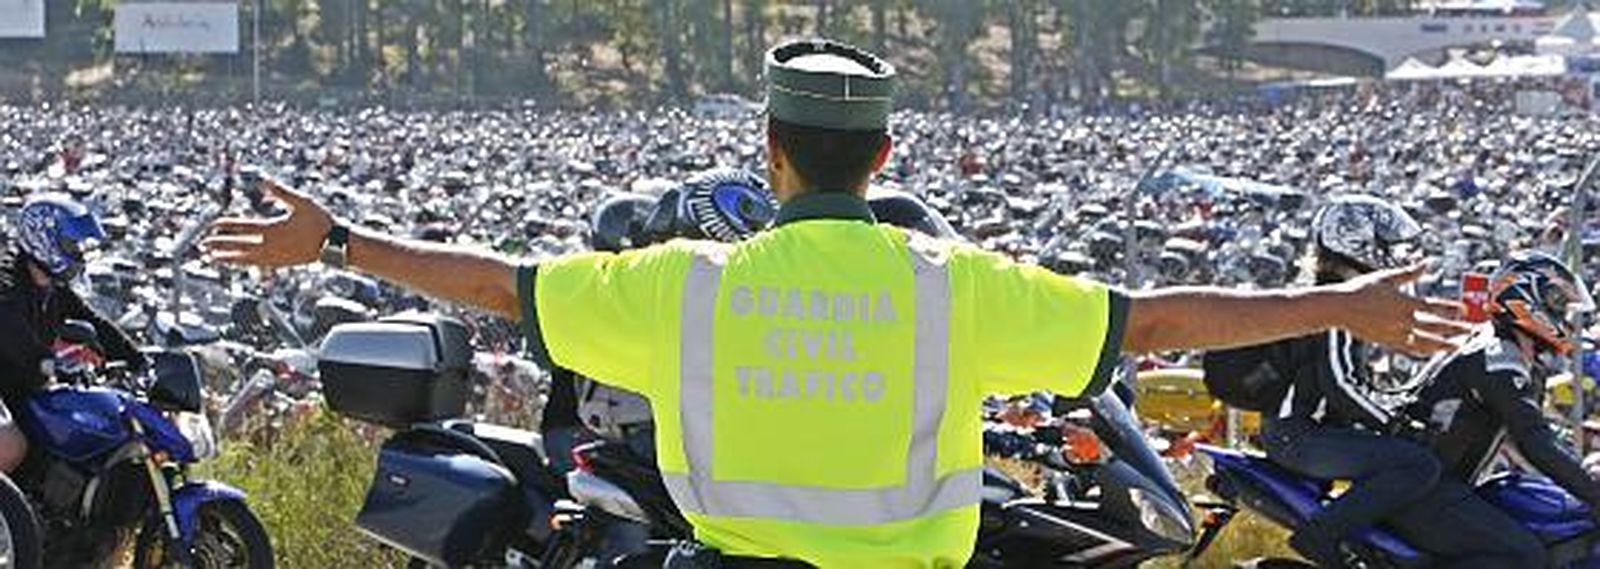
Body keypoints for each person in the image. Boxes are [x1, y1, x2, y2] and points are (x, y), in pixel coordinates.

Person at [203, 39, 1466, 568]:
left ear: (770, 150)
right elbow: (1152, 321)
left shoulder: (682, 290)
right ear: (887, 155)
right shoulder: (952, 289)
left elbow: (499, 286)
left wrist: (339, 239)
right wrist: (1337, 305)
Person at [1204, 196, 1443, 567]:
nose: (1395, 253)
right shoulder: (1339, 301)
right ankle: (1324, 537)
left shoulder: (1323, 292)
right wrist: (1396, 422)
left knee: (1398, 455)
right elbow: (1340, 383)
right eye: (1386, 243)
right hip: (1302, 436)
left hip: (1298, 431)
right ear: (1357, 241)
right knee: (1418, 464)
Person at [1385, 251, 1600, 567]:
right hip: (1423, 491)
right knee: (1523, 554)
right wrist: (1593, 492)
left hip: (1431, 483)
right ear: (1526, 298)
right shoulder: (1499, 359)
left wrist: (1584, 469)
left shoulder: (1501, 346)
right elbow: (1535, 443)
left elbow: (1529, 437)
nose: (1566, 318)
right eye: (1558, 304)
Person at [0, 194, 143, 471]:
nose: (77, 253)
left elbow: (93, 321)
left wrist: (137, 359)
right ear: (42, 238)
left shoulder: (53, 289)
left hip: (24, 389)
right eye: (70, 244)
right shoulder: (6, 281)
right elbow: (12, 333)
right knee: (10, 447)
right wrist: (53, 364)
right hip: (6, 388)